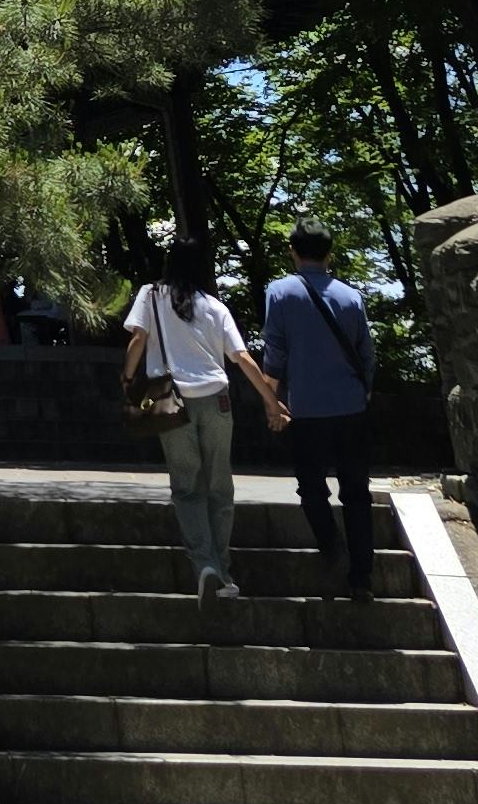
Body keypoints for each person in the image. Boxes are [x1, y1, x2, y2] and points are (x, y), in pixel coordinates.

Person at [121, 235, 285, 597]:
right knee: (219, 488)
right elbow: (241, 358)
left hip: (172, 402)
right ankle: (224, 574)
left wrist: (128, 378)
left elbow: (137, 341)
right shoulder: (214, 306)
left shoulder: (151, 295)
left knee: (187, 488)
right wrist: (270, 401)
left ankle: (204, 564)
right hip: (217, 401)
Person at [263, 218, 380, 599]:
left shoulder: (279, 293)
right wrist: (364, 394)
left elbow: (275, 353)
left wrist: (273, 400)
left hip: (307, 410)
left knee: (312, 487)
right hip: (350, 409)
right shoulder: (351, 297)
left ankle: (331, 545)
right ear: (330, 255)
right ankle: (361, 578)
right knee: (357, 493)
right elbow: (367, 354)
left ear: (293, 252)